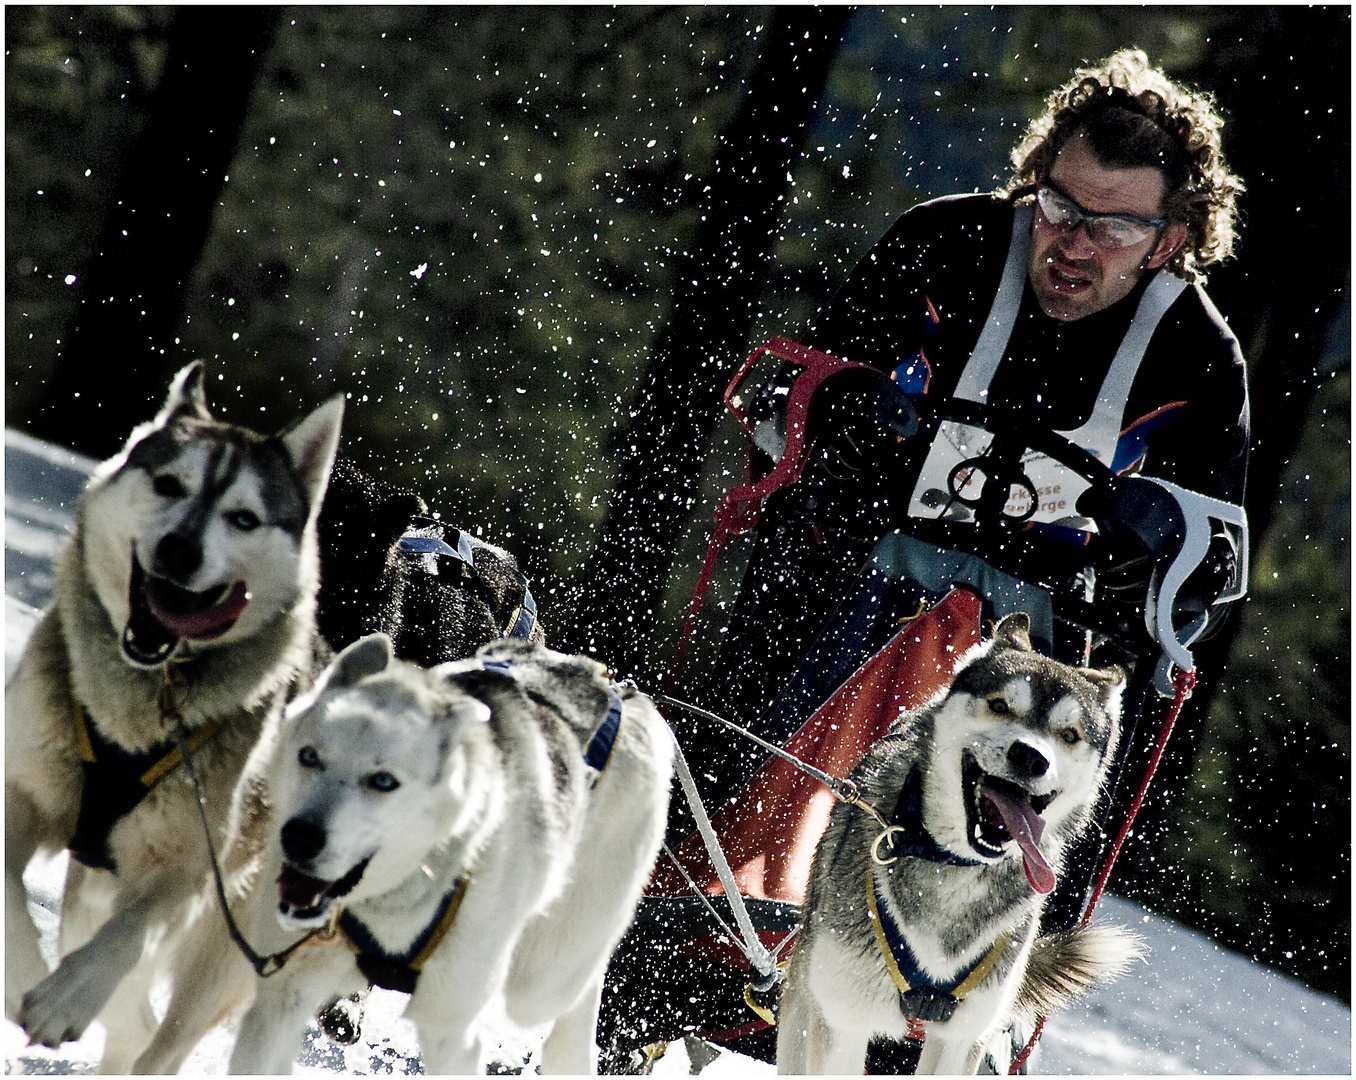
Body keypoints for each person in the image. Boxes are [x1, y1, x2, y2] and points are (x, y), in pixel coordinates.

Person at [650, 49, 1249, 1069]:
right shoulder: (946, 243)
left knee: (1002, 739)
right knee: (799, 673)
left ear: (1173, 240)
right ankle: (692, 939)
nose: (1071, 244)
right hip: (859, 574)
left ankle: (938, 1005)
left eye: (1112, 226)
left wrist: (1163, 525)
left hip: (1041, 636)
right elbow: (781, 396)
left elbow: (1217, 569)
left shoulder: (1198, 354)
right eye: (1058, 206)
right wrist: (849, 407)